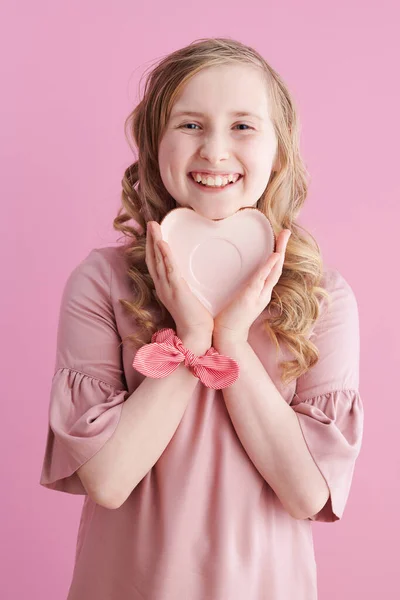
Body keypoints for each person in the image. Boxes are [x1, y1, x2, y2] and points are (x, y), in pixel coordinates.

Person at [39, 37, 364, 600]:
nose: (215, 151)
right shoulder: (101, 283)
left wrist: (231, 340)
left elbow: (308, 492)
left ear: (279, 152)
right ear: (152, 144)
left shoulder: (321, 296)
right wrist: (191, 338)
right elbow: (110, 480)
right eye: (190, 125)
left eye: (242, 126)